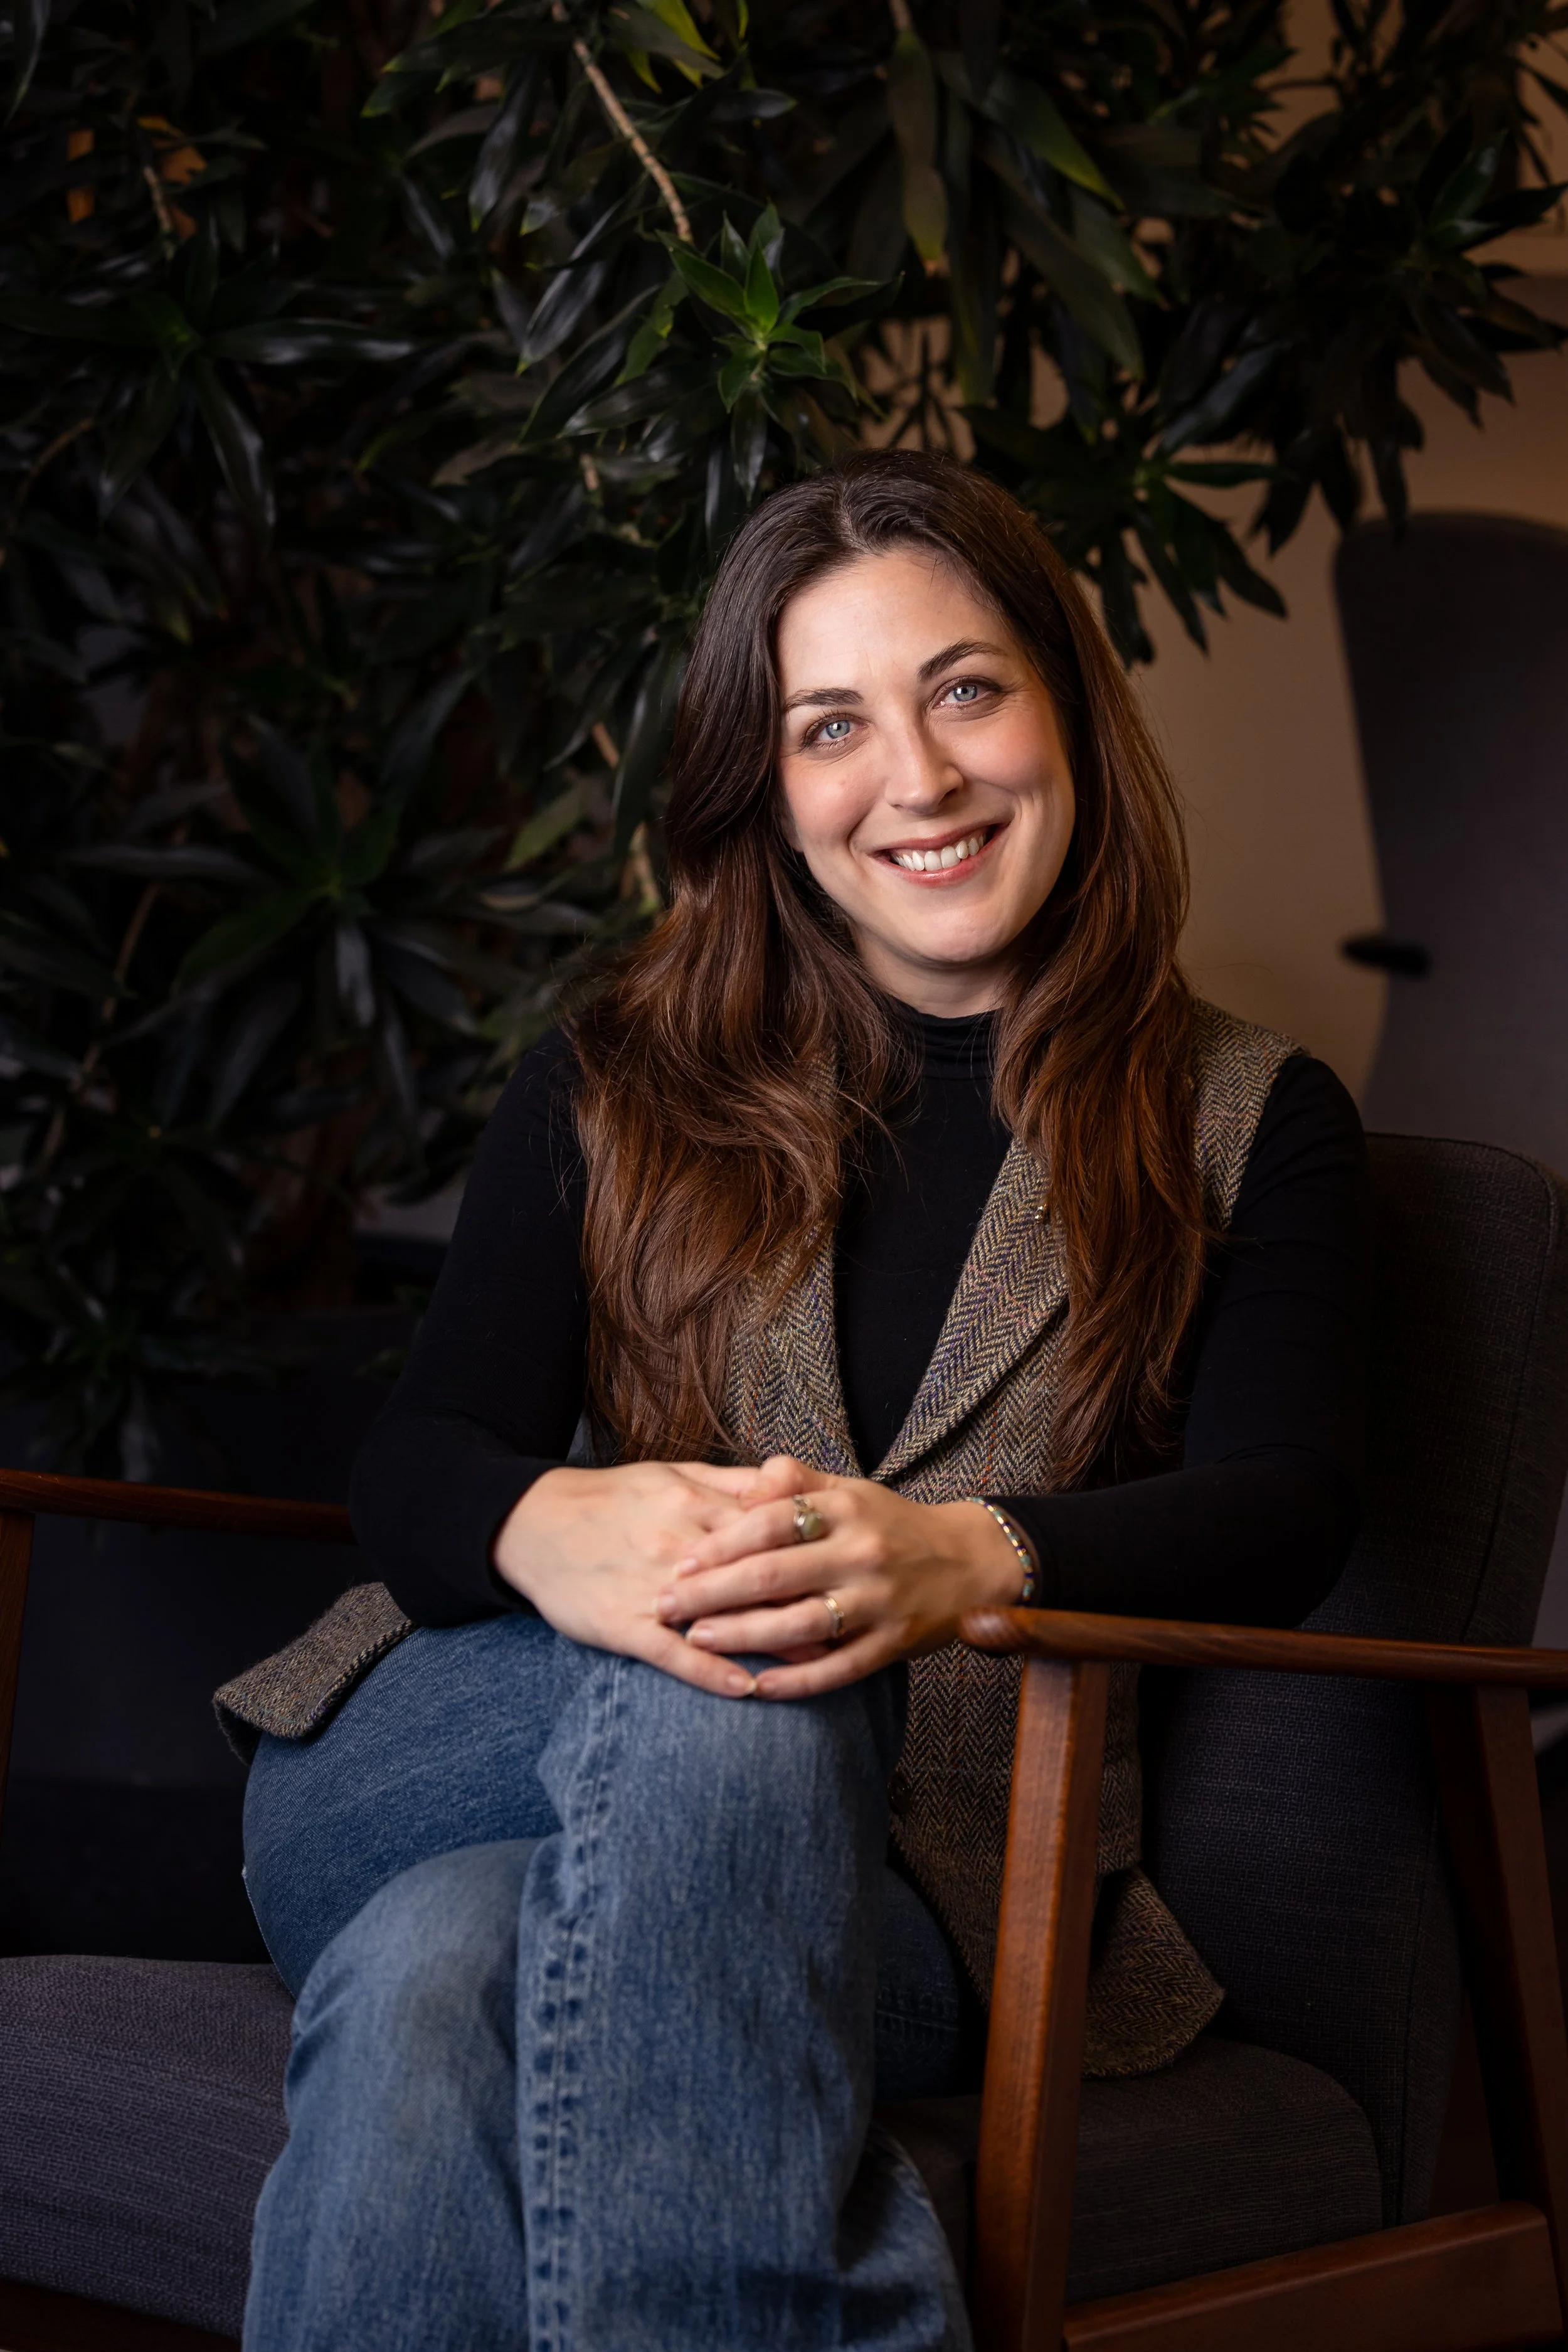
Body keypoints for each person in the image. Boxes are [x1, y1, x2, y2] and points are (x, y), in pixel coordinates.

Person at [221, 448, 1368, 2351]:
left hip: (933, 1900)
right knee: (733, 1646)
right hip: (432, 1768)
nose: (913, 778)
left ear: (1067, 706)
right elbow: (413, 1464)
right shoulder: (614, 1074)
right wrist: (547, 1525)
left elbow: (1291, 1493)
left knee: (442, 1976)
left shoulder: (1240, 1117)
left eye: (965, 689)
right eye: (829, 723)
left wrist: (963, 1554)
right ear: (766, 782)